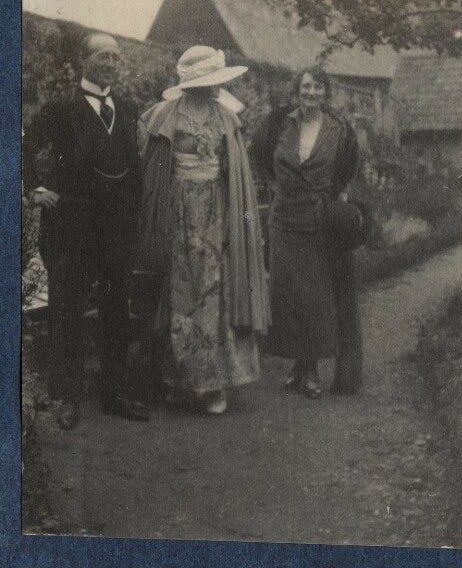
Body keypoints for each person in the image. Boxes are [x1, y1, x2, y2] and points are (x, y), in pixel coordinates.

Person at [22, 33, 149, 429]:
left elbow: (134, 164)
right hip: (73, 226)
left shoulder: (127, 108)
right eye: (102, 55)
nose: (110, 62)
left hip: (116, 229)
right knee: (68, 311)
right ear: (84, 61)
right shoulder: (62, 108)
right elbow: (21, 142)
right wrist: (33, 190)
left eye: (115, 56)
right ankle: (66, 397)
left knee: (116, 310)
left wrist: (136, 215)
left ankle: (115, 393)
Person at [137, 45, 270, 415]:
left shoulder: (226, 117)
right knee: (181, 294)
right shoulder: (164, 115)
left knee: (214, 294)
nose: (213, 88)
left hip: (217, 212)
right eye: (208, 82)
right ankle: (182, 381)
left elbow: (236, 174)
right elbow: (150, 166)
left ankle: (213, 385)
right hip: (177, 212)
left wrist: (240, 223)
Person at [251, 66, 362, 398]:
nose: (311, 92)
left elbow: (347, 167)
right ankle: (298, 364)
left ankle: (310, 367)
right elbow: (258, 155)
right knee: (286, 295)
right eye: (305, 86)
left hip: (317, 220)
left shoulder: (339, 130)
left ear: (326, 93)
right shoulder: (277, 123)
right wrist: (272, 187)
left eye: (317, 87)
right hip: (283, 218)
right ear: (296, 90)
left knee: (313, 295)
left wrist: (329, 197)